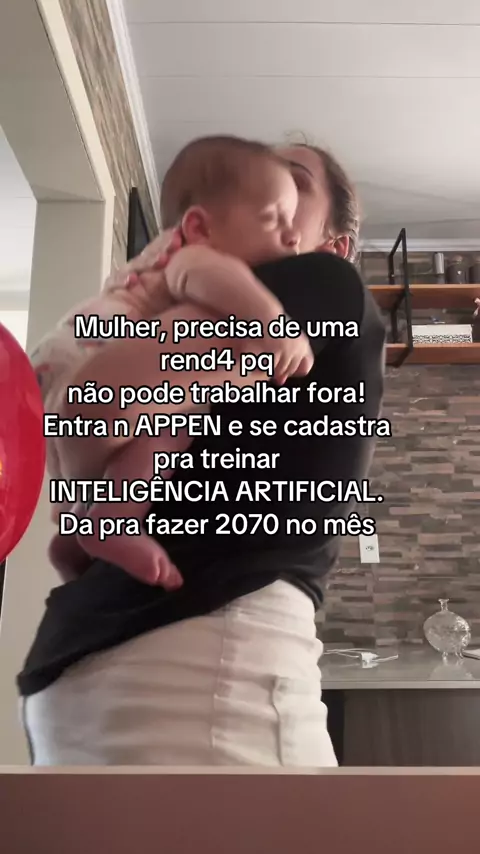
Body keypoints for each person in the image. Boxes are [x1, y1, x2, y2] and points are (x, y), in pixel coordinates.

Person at [18, 140, 386, 767]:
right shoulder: (238, 286)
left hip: (127, 668)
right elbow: (98, 398)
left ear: (335, 245)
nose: (273, 200)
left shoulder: (319, 277)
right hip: (193, 671)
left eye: (294, 186)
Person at [33, 137, 313, 588]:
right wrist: (272, 320)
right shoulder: (193, 255)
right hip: (92, 351)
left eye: (292, 221)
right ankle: (112, 519)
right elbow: (206, 276)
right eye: (272, 218)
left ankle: (74, 532)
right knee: (177, 423)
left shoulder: (164, 258)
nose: (293, 234)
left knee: (130, 440)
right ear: (199, 225)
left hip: (60, 367)